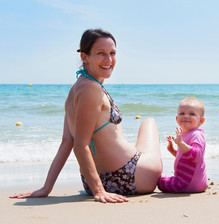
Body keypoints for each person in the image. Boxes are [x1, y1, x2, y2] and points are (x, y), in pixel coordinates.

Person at [10, 29, 162, 203]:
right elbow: (80, 145)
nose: (109, 59)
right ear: (84, 57)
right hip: (130, 177)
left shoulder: (76, 88)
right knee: (149, 123)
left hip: (92, 182)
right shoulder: (91, 88)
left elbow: (67, 141)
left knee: (140, 143)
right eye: (101, 53)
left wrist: (47, 188)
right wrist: (99, 192)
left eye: (112, 53)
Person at [158, 97, 208, 193]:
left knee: (160, 181)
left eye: (192, 114)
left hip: (187, 184)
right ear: (177, 119)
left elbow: (196, 156)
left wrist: (180, 143)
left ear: (201, 121)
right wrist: (173, 150)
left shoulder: (196, 135)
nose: (186, 116)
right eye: (182, 113)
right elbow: (185, 157)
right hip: (193, 182)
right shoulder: (185, 135)